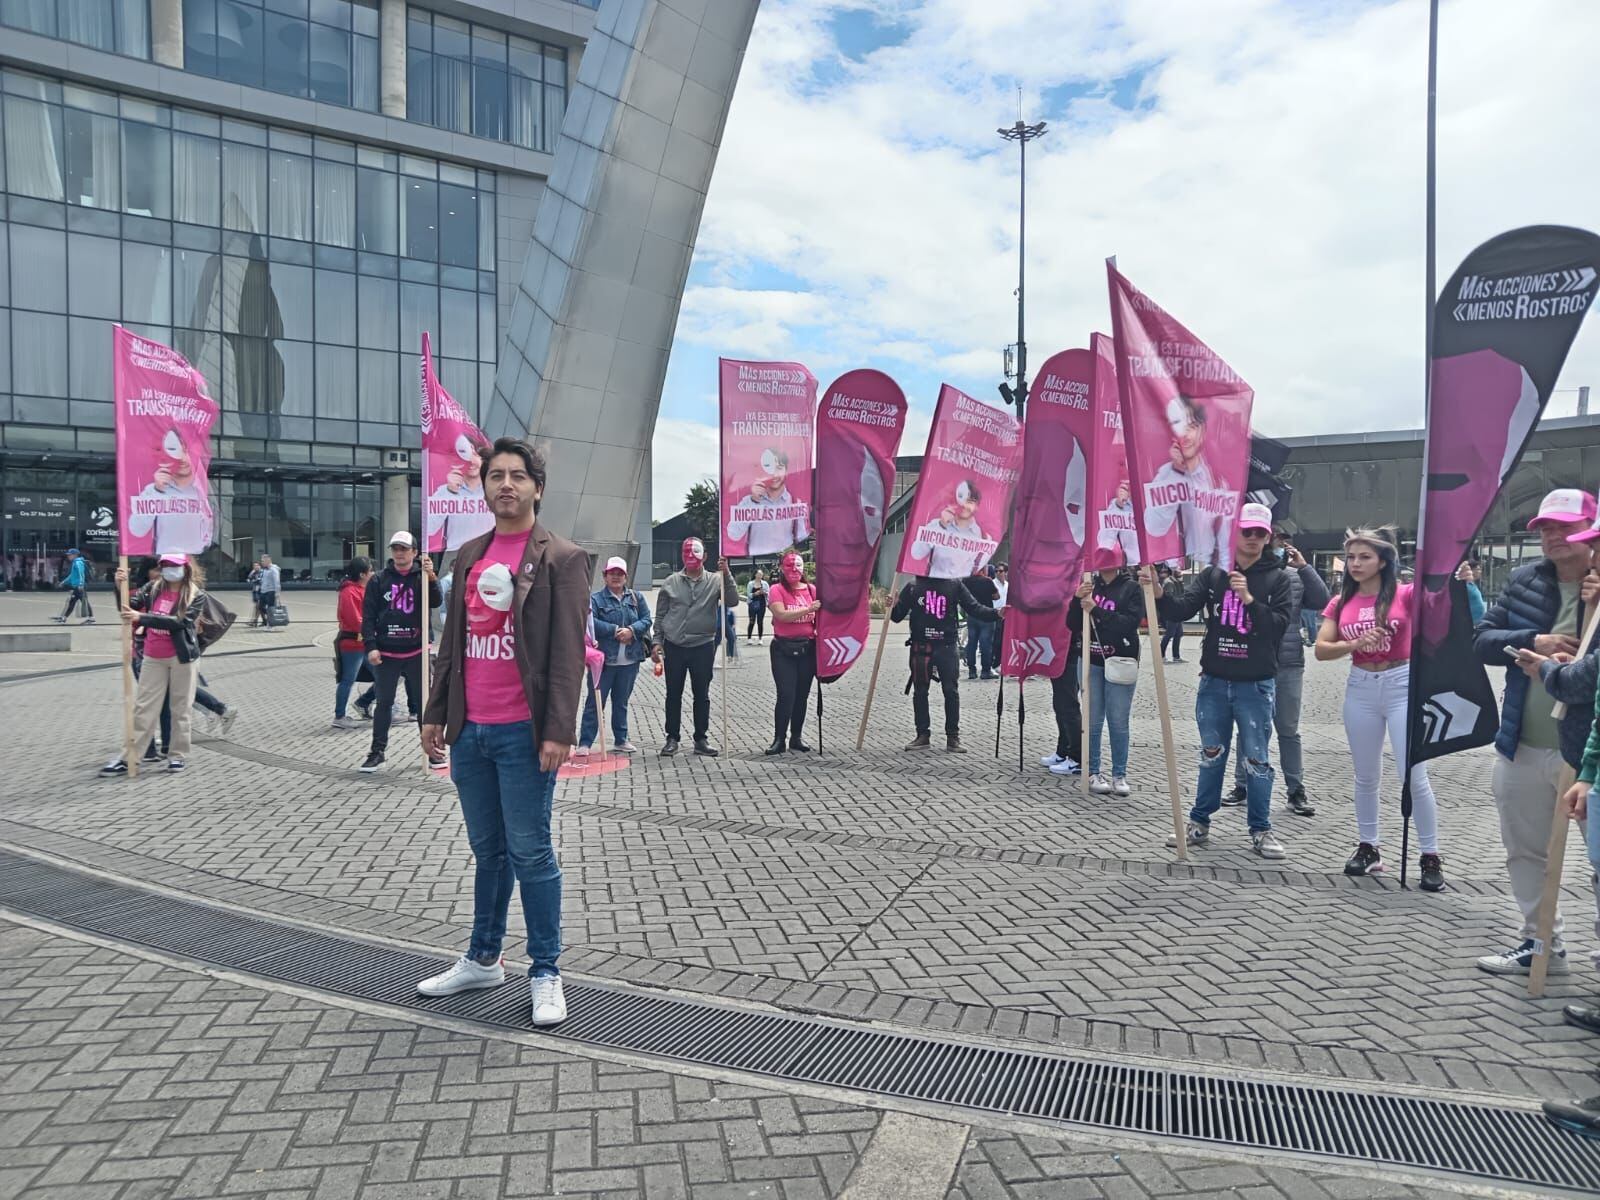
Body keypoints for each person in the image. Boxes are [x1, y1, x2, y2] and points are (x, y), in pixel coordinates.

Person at [418, 437, 587, 1027]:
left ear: (537, 487)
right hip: (470, 731)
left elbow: (568, 654)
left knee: (531, 851)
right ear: (484, 487)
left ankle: (545, 971)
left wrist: (558, 729)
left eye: (517, 476)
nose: (506, 485)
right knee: (488, 852)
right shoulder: (468, 553)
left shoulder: (562, 557)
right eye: (496, 476)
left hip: (524, 732)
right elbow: (451, 643)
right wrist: (435, 711)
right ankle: (484, 958)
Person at [1472, 487, 1597, 974]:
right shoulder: (1525, 580)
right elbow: (1482, 640)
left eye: (1565, 527)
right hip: (1523, 741)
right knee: (1524, 850)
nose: (1554, 536)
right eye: (1545, 528)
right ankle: (1540, 942)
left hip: (1587, 753)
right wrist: (1534, 640)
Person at [1158, 502, 1294, 858]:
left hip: (1256, 685)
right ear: (1234, 534)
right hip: (1215, 683)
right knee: (1211, 754)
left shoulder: (1278, 579)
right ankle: (1199, 821)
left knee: (1257, 760)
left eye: (1260, 533)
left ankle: (1261, 829)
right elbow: (1181, 608)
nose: (1253, 538)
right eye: (1246, 531)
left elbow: (1277, 628)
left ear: (1268, 537)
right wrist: (1158, 593)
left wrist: (1248, 599)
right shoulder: (1214, 575)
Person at [1314, 527, 1445, 888]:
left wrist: (1453, 577)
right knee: (1365, 775)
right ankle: (1369, 847)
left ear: (1383, 561)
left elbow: (1444, 608)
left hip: (1402, 683)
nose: (1355, 564)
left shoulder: (1406, 593)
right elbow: (1321, 649)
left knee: (1413, 774)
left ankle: (1430, 855)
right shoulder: (1341, 602)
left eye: (1364, 557)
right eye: (1350, 557)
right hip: (1361, 687)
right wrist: (1354, 643)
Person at [1228, 532, 1328, 817]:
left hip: (1288, 663)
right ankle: (1242, 784)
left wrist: (1304, 568)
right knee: (1249, 728)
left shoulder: (1293, 577)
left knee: (1288, 729)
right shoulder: (1248, 578)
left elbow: (1321, 599)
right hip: (1254, 662)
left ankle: (1295, 790)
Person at [100, 553, 208, 777]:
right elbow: (128, 607)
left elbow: (181, 622)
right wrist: (119, 586)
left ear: (186, 568)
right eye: (165, 565)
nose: (169, 569)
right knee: (144, 708)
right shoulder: (153, 587)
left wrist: (142, 617)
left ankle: (177, 755)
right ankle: (130, 758)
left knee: (180, 708)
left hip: (182, 657)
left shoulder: (196, 594)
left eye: (174, 565)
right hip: (152, 656)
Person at [360, 532, 443, 773]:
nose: (399, 553)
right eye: (395, 548)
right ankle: (377, 752)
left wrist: (432, 577)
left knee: (423, 704)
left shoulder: (421, 577)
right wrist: (371, 646)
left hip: (417, 650)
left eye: (404, 549)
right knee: (384, 703)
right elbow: (368, 616)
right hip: (387, 653)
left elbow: (436, 602)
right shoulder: (379, 580)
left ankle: (432, 751)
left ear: (415, 552)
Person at [890, 575, 998, 753]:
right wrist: (892, 606)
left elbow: (974, 608)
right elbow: (896, 616)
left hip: (946, 646)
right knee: (920, 691)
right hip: (921, 646)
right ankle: (922, 735)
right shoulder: (913, 586)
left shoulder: (954, 585)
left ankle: (953, 737)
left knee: (951, 691)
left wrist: (996, 613)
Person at [1070, 566, 1145, 795]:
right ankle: (1092, 771)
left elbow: (1129, 623)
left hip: (1120, 661)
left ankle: (1119, 774)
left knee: (1118, 721)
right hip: (1090, 661)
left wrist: (1097, 610)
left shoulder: (1131, 588)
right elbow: (1072, 624)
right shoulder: (1089, 584)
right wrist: (1076, 599)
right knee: (1092, 721)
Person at [1145, 395, 1231, 568]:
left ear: (1202, 431)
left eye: (1191, 427)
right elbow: (1154, 527)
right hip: (1175, 570)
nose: (1186, 435)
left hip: (1209, 572)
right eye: (1179, 427)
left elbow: (1225, 540)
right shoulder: (1165, 475)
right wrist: (1177, 473)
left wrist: (1223, 574)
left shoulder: (1217, 481)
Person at [656, 537, 722, 756]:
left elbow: (731, 601)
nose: (691, 557)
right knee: (673, 694)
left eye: (695, 552)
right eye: (687, 553)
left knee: (702, 694)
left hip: (703, 646)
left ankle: (701, 739)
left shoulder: (715, 581)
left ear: (705, 556)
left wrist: (727, 574)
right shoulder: (670, 582)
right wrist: (657, 642)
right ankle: (672, 738)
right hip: (674, 645)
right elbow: (661, 615)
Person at [579, 556, 650, 756]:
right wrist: (615, 630)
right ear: (605, 576)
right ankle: (585, 742)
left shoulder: (636, 598)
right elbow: (590, 622)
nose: (616, 577)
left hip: (630, 661)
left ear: (626, 577)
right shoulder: (595, 599)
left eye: (620, 574)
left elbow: (646, 619)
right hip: (603, 662)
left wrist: (631, 631)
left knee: (621, 702)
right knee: (595, 703)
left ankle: (621, 739)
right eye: (612, 573)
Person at [125, 426, 213, 554]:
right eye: (173, 449)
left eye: (188, 450)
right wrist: (157, 491)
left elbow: (210, 525)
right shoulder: (154, 489)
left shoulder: (202, 490)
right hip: (167, 559)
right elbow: (137, 530)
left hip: (195, 558)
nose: (182, 458)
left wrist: (205, 546)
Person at [766, 551, 820, 755]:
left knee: (801, 695)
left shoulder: (812, 590)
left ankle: (796, 737)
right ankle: (779, 739)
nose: (794, 569)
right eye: (789, 565)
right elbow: (781, 615)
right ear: (782, 568)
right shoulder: (776, 589)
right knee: (786, 694)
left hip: (807, 648)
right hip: (783, 649)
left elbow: (821, 619)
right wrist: (808, 610)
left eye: (798, 565)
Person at [726, 447, 809, 554]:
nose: (774, 474)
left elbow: (803, 537)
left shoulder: (796, 503)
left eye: (779, 468)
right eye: (769, 467)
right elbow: (733, 534)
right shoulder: (749, 501)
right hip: (756, 561)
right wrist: (753, 502)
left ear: (786, 471)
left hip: (784, 560)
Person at [908, 479, 991, 578]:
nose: (964, 505)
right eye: (961, 497)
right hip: (934, 585)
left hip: (962, 586)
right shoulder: (936, 525)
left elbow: (977, 569)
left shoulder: (984, 538)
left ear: (977, 506)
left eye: (970, 501)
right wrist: (941, 526)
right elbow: (916, 554)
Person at [333, 556, 375, 730]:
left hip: (365, 643)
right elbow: (355, 619)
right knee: (348, 680)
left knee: (384, 677)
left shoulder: (362, 589)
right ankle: (339, 716)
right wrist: (372, 630)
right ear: (362, 574)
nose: (372, 573)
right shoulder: (349, 592)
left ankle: (364, 703)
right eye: (370, 570)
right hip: (353, 644)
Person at [963, 566, 1000, 680]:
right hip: (987, 616)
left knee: (971, 643)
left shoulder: (966, 581)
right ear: (983, 569)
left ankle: (972, 671)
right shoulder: (987, 581)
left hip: (972, 615)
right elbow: (996, 596)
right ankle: (985, 671)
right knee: (986, 644)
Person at [53, 548, 94, 624]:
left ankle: (91, 619)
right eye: (68, 555)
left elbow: (81, 574)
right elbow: (72, 575)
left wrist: (81, 584)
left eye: (70, 555)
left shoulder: (78, 562)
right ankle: (64, 618)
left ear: (75, 555)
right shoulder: (75, 562)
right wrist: (63, 582)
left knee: (82, 602)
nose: (68, 556)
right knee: (73, 602)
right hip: (77, 587)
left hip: (79, 587)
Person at [1159, 566, 1187, 662]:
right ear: (1173, 571)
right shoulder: (1169, 583)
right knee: (1169, 634)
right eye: (1178, 570)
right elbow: (1169, 599)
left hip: (1177, 612)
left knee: (1178, 634)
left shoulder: (1177, 582)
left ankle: (1176, 656)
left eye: (1180, 570)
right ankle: (1161, 655)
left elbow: (1182, 595)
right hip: (1172, 613)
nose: (1180, 572)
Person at [717, 557, 740, 662]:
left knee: (731, 638)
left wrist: (726, 573)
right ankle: (728, 656)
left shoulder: (725, 585)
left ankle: (730, 656)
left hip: (723, 619)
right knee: (716, 641)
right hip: (716, 623)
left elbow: (733, 600)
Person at [257, 554, 281, 627]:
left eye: (263, 561)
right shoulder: (264, 569)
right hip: (263, 591)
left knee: (270, 607)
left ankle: (270, 624)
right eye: (261, 561)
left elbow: (277, 581)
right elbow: (263, 580)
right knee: (260, 607)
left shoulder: (273, 569)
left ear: (268, 560)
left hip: (271, 591)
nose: (262, 562)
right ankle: (270, 619)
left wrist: (277, 593)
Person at [746, 569, 769, 643]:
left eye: (761, 574)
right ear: (755, 575)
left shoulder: (765, 583)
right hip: (752, 604)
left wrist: (764, 592)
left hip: (762, 604)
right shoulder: (750, 583)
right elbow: (748, 594)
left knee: (760, 622)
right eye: (759, 574)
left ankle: (760, 638)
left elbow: (768, 593)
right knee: (752, 621)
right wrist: (755, 594)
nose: (760, 575)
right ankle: (749, 638)